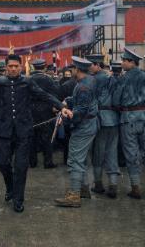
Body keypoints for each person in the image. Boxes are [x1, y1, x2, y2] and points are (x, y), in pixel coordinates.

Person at [0, 54, 64, 213]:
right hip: (5, 130)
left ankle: (18, 200)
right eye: (10, 66)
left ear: (20, 67)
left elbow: (44, 95)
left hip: (23, 131)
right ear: (6, 68)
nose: (13, 69)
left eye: (16, 66)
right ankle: (10, 187)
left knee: (21, 166)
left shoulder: (27, 82)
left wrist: (61, 106)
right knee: (1, 162)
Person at [112, 48, 145, 200]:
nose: (122, 63)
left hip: (128, 119)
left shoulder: (122, 79)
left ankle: (136, 188)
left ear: (131, 62)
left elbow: (115, 101)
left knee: (131, 154)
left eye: (124, 61)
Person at [55, 56, 98, 208]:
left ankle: (74, 195)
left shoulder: (82, 86)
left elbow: (80, 110)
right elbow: (79, 101)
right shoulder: (88, 81)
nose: (70, 71)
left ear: (77, 70)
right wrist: (68, 101)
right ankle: (83, 188)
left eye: (72, 68)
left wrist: (66, 116)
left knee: (75, 159)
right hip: (89, 124)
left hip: (83, 126)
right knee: (83, 158)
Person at [86, 54, 120, 198]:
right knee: (112, 152)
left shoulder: (92, 80)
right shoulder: (111, 78)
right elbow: (118, 99)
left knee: (98, 153)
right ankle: (113, 185)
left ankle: (98, 184)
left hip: (99, 119)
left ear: (97, 65)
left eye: (90, 65)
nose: (88, 68)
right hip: (113, 118)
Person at [29, 59, 60, 169]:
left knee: (31, 137)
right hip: (46, 110)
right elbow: (54, 94)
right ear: (44, 67)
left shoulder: (29, 79)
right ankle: (48, 161)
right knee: (47, 137)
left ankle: (32, 162)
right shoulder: (49, 79)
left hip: (31, 110)